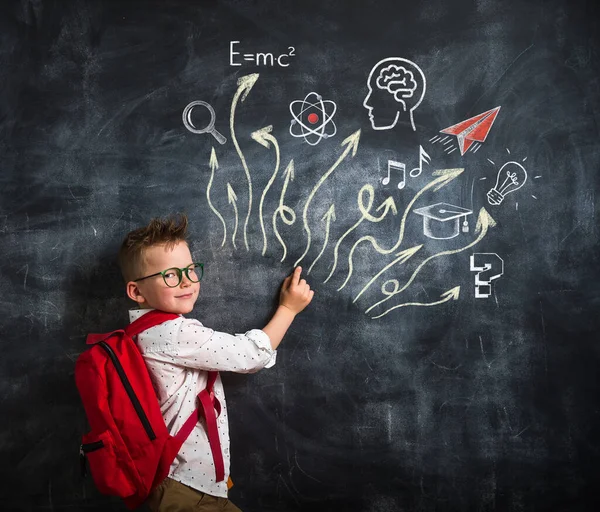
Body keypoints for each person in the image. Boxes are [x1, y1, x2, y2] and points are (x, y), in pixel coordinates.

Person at [117, 213, 313, 511]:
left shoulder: (144, 332)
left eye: (190, 269)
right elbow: (250, 355)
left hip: (185, 482)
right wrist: (288, 308)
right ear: (136, 292)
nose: (187, 282)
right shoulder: (174, 332)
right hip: (185, 485)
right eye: (170, 275)